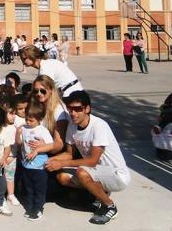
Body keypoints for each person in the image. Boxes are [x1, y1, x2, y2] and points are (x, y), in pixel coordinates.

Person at [45, 91, 130, 225]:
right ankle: (99, 194)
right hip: (96, 172)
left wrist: (61, 164)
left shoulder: (99, 126)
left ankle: (109, 206)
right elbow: (69, 153)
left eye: (78, 109)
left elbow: (92, 161)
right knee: (62, 177)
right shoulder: (73, 125)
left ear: (87, 109)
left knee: (82, 172)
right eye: (70, 109)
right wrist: (49, 160)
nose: (73, 113)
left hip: (116, 175)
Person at [18, 104, 54, 221]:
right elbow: (19, 143)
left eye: (31, 120)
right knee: (29, 188)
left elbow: (51, 145)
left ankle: (38, 209)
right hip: (26, 165)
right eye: (26, 119)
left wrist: (38, 149)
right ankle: (30, 207)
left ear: (40, 119)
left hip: (39, 167)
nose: (28, 122)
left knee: (39, 188)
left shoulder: (42, 130)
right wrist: (17, 133)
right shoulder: (24, 128)